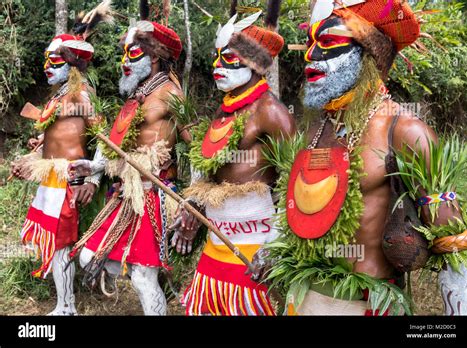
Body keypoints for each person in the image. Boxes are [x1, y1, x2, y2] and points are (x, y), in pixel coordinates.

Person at [269, 0, 462, 315]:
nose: (310, 55)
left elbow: (455, 244)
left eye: (328, 43)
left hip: (365, 304)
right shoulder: (317, 127)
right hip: (303, 296)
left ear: (370, 53)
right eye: (309, 43)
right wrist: (271, 250)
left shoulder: (405, 131)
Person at [172, 2, 296, 316]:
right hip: (217, 241)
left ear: (255, 63)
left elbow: (294, 184)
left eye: (228, 58)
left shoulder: (272, 112)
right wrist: (192, 204)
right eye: (217, 57)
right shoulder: (225, 109)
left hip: (253, 247)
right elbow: (208, 164)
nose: (218, 65)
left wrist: (274, 248)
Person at [69, 1, 184, 316]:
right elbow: (114, 144)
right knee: (88, 256)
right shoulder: (137, 96)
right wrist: (93, 169)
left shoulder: (170, 93)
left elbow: (199, 144)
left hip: (152, 195)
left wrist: (195, 201)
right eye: (126, 53)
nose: (124, 61)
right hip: (123, 194)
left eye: (133, 53)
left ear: (156, 57)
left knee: (142, 275)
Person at [10, 4, 111, 315]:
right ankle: (63, 304)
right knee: (54, 245)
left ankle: (67, 307)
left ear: (72, 64)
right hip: (51, 179)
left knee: (62, 244)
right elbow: (63, 135)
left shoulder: (81, 95)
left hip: (68, 179)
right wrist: (38, 149)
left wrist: (94, 176)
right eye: (46, 61)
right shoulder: (59, 96)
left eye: (54, 61)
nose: (47, 66)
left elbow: (106, 140)